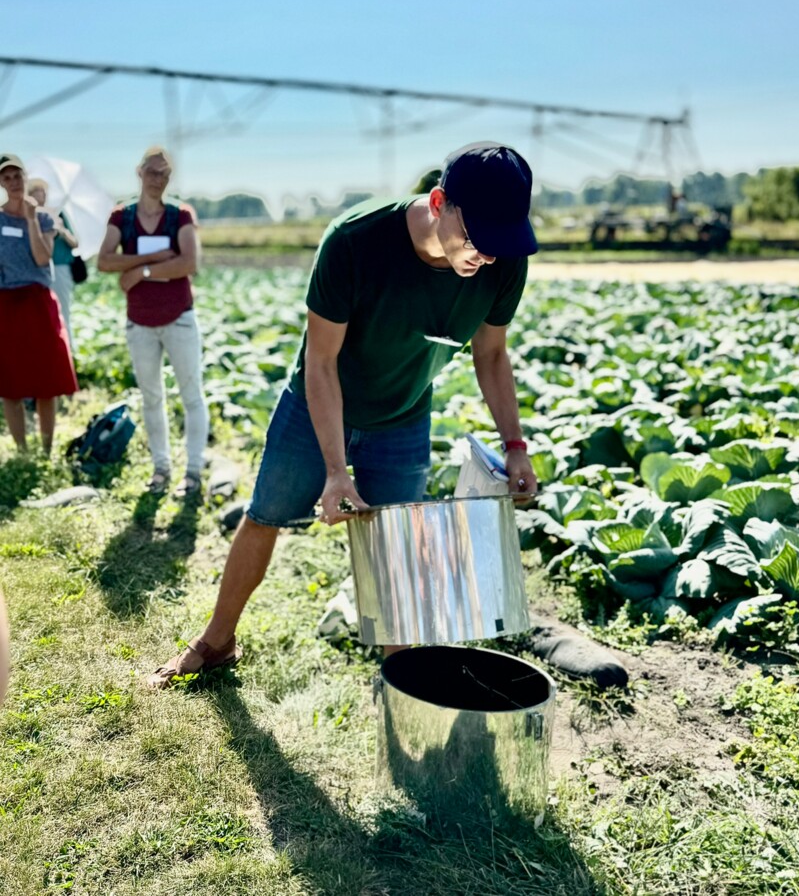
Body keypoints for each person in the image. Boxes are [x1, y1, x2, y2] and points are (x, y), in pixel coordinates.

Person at [148, 142, 539, 688]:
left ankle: (402, 681)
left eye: (503, 243)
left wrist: (515, 445)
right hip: (317, 404)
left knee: (395, 546)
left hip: (403, 414)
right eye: (477, 239)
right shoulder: (354, 242)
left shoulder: (502, 264)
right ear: (439, 202)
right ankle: (216, 641)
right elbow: (322, 363)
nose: (488, 256)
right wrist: (336, 470)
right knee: (265, 515)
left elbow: (491, 354)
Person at [97, 146, 209, 497]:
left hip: (179, 319)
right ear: (139, 171)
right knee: (151, 398)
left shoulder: (181, 215)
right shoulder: (122, 216)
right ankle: (161, 468)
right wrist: (157, 256)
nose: (157, 179)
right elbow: (103, 260)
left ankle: (192, 471)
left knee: (192, 396)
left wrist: (141, 271)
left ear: (169, 177)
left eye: (164, 174)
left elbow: (189, 263)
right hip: (140, 322)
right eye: (152, 172)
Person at [0, 154, 78, 453]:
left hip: (37, 298)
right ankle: (22, 450)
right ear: (1, 183)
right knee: (10, 382)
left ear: (24, 176)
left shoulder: (44, 217)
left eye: (17, 176)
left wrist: (31, 219)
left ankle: (46, 448)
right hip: (6, 301)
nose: (13, 182)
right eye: (6, 178)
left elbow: (42, 258)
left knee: (47, 378)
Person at [27, 177, 79, 348]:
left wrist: (61, 229)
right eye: (36, 193)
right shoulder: (28, 218)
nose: (40, 196)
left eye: (42, 193)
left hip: (60, 268)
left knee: (63, 310)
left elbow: (75, 243)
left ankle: (68, 350)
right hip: (36, 271)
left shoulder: (58, 215)